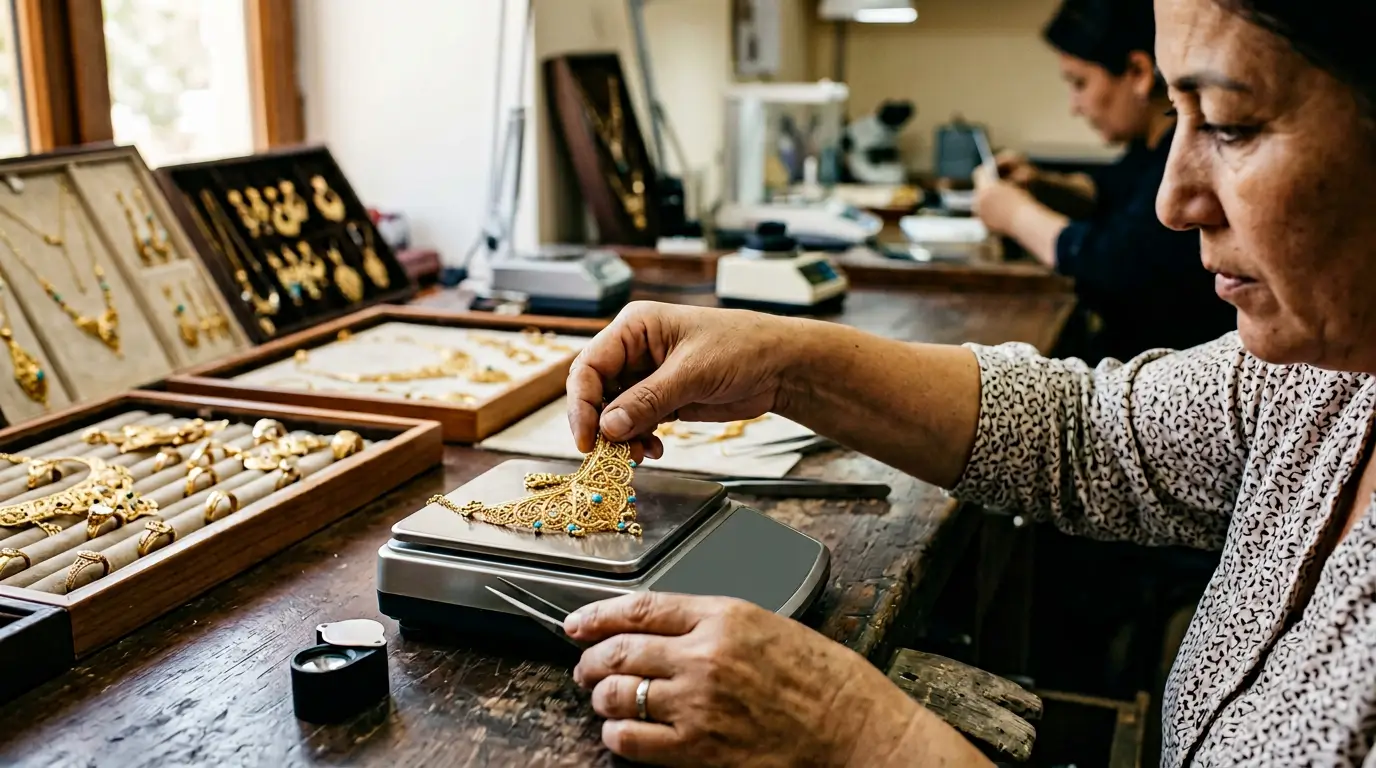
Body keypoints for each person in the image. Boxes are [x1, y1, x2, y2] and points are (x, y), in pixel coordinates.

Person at [555, 0, 1376, 763]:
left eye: (1229, 124)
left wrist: (857, 732)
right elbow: (1085, 432)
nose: (1172, 200)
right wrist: (783, 361)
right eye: (1175, 116)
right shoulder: (1324, 380)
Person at [973, 0, 1234, 364]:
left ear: (1138, 71)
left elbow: (1118, 262)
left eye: (1080, 83)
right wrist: (1041, 183)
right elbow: (1109, 188)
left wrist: (1014, 214)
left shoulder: (1174, 155)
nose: (1075, 106)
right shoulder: (1148, 149)